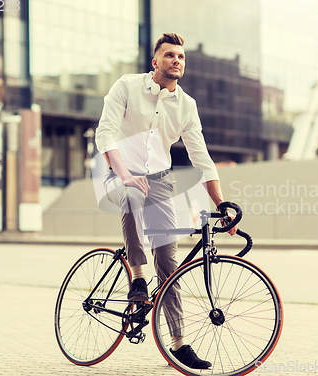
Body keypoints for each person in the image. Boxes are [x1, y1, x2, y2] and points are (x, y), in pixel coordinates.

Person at [95, 32, 236, 369]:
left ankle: (178, 342)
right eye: (170, 55)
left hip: (159, 180)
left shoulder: (187, 106)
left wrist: (221, 204)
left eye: (181, 57)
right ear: (155, 61)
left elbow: (201, 158)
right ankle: (138, 278)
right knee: (130, 193)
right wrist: (125, 173)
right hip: (119, 173)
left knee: (169, 265)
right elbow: (105, 132)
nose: (177, 60)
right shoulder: (127, 86)